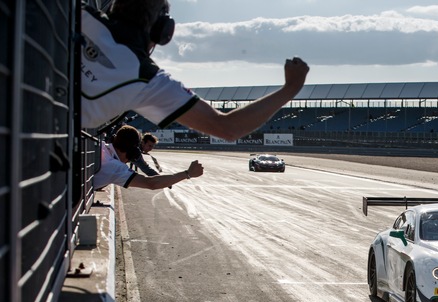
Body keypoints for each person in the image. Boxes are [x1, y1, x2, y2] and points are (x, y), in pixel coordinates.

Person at [80, 0, 310, 141]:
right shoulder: (147, 79)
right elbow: (228, 128)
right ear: (163, 32)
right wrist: (291, 88)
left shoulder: (76, 14)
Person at [95, 125, 202, 190]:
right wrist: (187, 173)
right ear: (132, 151)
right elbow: (150, 183)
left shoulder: (100, 146)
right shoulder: (115, 167)